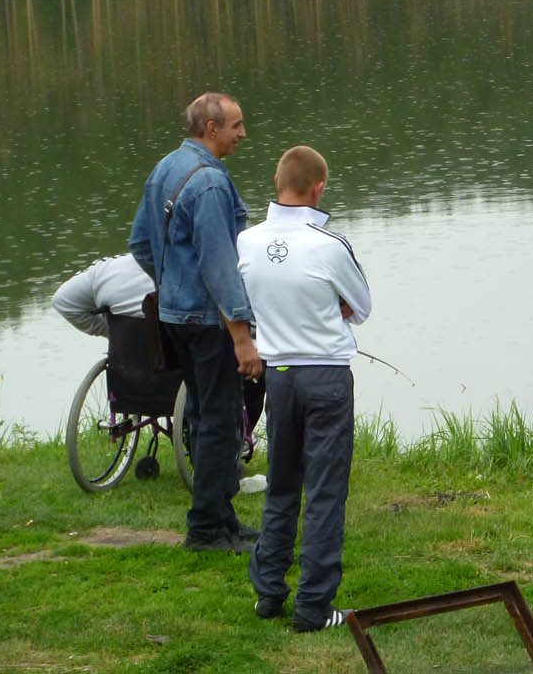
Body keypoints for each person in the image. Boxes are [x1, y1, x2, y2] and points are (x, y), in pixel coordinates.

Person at [237, 145, 371, 633]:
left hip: (280, 377)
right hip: (327, 377)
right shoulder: (329, 244)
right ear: (319, 189)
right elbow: (362, 305)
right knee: (325, 493)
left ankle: (269, 593)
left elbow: (244, 301)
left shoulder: (245, 242)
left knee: (283, 488)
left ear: (277, 183)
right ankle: (314, 608)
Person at [129, 92, 262, 553]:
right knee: (219, 421)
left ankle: (224, 519)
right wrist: (242, 337)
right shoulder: (209, 184)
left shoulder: (164, 168)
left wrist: (173, 286)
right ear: (211, 129)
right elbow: (220, 265)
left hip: (175, 317)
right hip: (209, 324)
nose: (243, 134)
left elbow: (141, 244)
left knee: (207, 415)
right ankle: (205, 529)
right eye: (236, 126)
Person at [52, 254, 153, 338]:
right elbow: (62, 301)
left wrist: (114, 334)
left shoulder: (108, 267)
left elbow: (62, 301)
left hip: (129, 353)